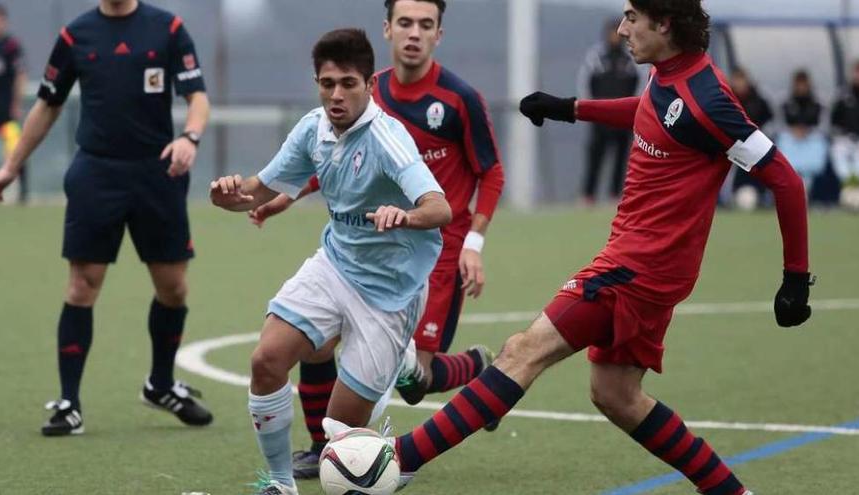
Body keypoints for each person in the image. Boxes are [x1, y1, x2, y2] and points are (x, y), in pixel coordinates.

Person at [338, 1, 813, 494]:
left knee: (524, 350)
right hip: (651, 268)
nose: (623, 28)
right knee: (617, 395)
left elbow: (785, 179)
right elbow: (651, 112)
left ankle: (396, 463)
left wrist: (795, 278)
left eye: (632, 17)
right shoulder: (670, 76)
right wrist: (570, 109)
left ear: (664, 23)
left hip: (637, 268)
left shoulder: (708, 97)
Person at [249, 0, 506, 478]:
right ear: (387, 29)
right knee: (313, 343)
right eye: (404, 23)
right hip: (354, 250)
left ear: (438, 34)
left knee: (417, 383)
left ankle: (478, 369)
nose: (414, 33)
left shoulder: (458, 99)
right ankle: (316, 449)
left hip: (432, 253)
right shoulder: (362, 85)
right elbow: (341, 160)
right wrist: (289, 195)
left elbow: (490, 173)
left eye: (425, 24)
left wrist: (474, 243)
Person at [210, 28, 451, 495]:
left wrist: (405, 215)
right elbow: (259, 189)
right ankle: (280, 483)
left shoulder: (388, 137)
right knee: (266, 360)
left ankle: (396, 365)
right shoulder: (312, 128)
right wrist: (230, 198)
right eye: (327, 84)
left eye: (348, 84)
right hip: (336, 265)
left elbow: (439, 207)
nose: (336, 95)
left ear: (370, 85)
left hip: (390, 293)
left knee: (339, 436)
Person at [0, 0, 212, 436]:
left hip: (159, 172)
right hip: (96, 174)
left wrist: (190, 136)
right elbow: (47, 105)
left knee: (173, 288)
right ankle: (69, 404)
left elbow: (198, 98)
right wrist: (11, 167)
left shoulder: (168, 28)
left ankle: (161, 383)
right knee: (81, 285)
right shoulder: (77, 35)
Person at [576, 19, 639, 204]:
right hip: (600, 118)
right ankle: (588, 195)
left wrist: (634, 110)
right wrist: (587, 109)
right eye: (611, 32)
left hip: (623, 119)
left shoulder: (631, 58)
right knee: (595, 156)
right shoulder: (596, 57)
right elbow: (584, 82)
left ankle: (615, 194)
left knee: (621, 158)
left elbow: (641, 84)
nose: (615, 36)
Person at [830, 60, 859, 207]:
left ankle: (857, 184)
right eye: (857, 72)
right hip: (845, 138)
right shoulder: (843, 97)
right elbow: (833, 121)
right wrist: (839, 135)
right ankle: (848, 183)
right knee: (837, 151)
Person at [728, 67, 774, 207]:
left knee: (765, 165)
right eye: (736, 80)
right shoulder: (726, 98)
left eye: (741, 79)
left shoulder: (760, 99)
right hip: (732, 144)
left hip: (756, 142)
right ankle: (727, 197)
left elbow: (771, 121)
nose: (739, 83)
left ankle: (767, 196)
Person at [776, 70, 828, 194]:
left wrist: (808, 130)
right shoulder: (785, 102)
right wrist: (792, 130)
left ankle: (804, 189)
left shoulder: (818, 102)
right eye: (798, 84)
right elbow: (777, 124)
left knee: (818, 141)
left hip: (811, 137)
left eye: (803, 84)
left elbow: (825, 125)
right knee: (783, 140)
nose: (801, 87)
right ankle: (790, 189)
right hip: (790, 137)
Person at [0, 4, 26, 202]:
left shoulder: (11, 46)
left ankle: (22, 193)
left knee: (16, 151)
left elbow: (21, 75)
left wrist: (17, 103)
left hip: (6, 112)